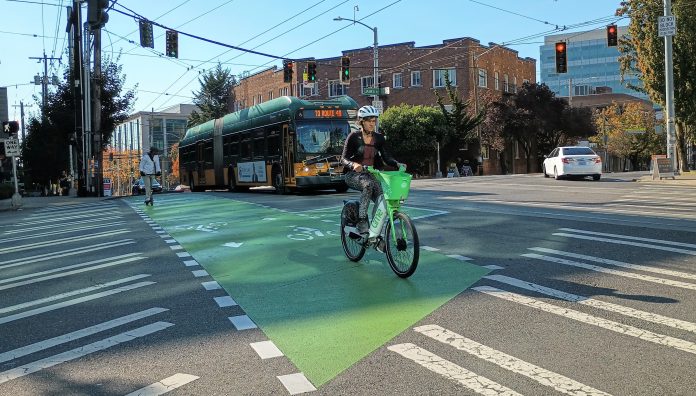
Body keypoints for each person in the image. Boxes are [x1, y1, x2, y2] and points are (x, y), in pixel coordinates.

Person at [340, 105, 402, 234]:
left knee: (383, 198)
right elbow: (343, 159)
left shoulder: (379, 138)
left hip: (372, 174)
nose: (372, 123)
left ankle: (374, 230)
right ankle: (362, 221)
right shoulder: (353, 137)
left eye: (374, 120)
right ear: (361, 121)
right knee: (367, 185)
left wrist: (397, 164)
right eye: (369, 120)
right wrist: (353, 165)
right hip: (353, 175)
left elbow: (387, 157)